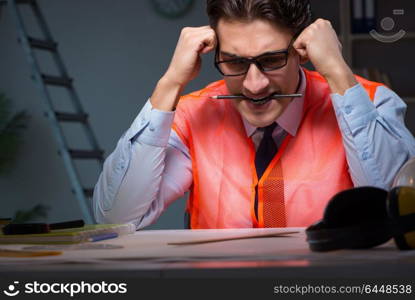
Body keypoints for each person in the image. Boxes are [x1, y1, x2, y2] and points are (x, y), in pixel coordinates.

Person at [93, 0, 415, 229]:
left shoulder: (371, 102)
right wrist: (169, 84)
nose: (254, 85)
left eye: (272, 60)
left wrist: (336, 71)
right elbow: (116, 219)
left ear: (301, 49)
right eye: (234, 62)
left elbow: (399, 212)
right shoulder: (194, 114)